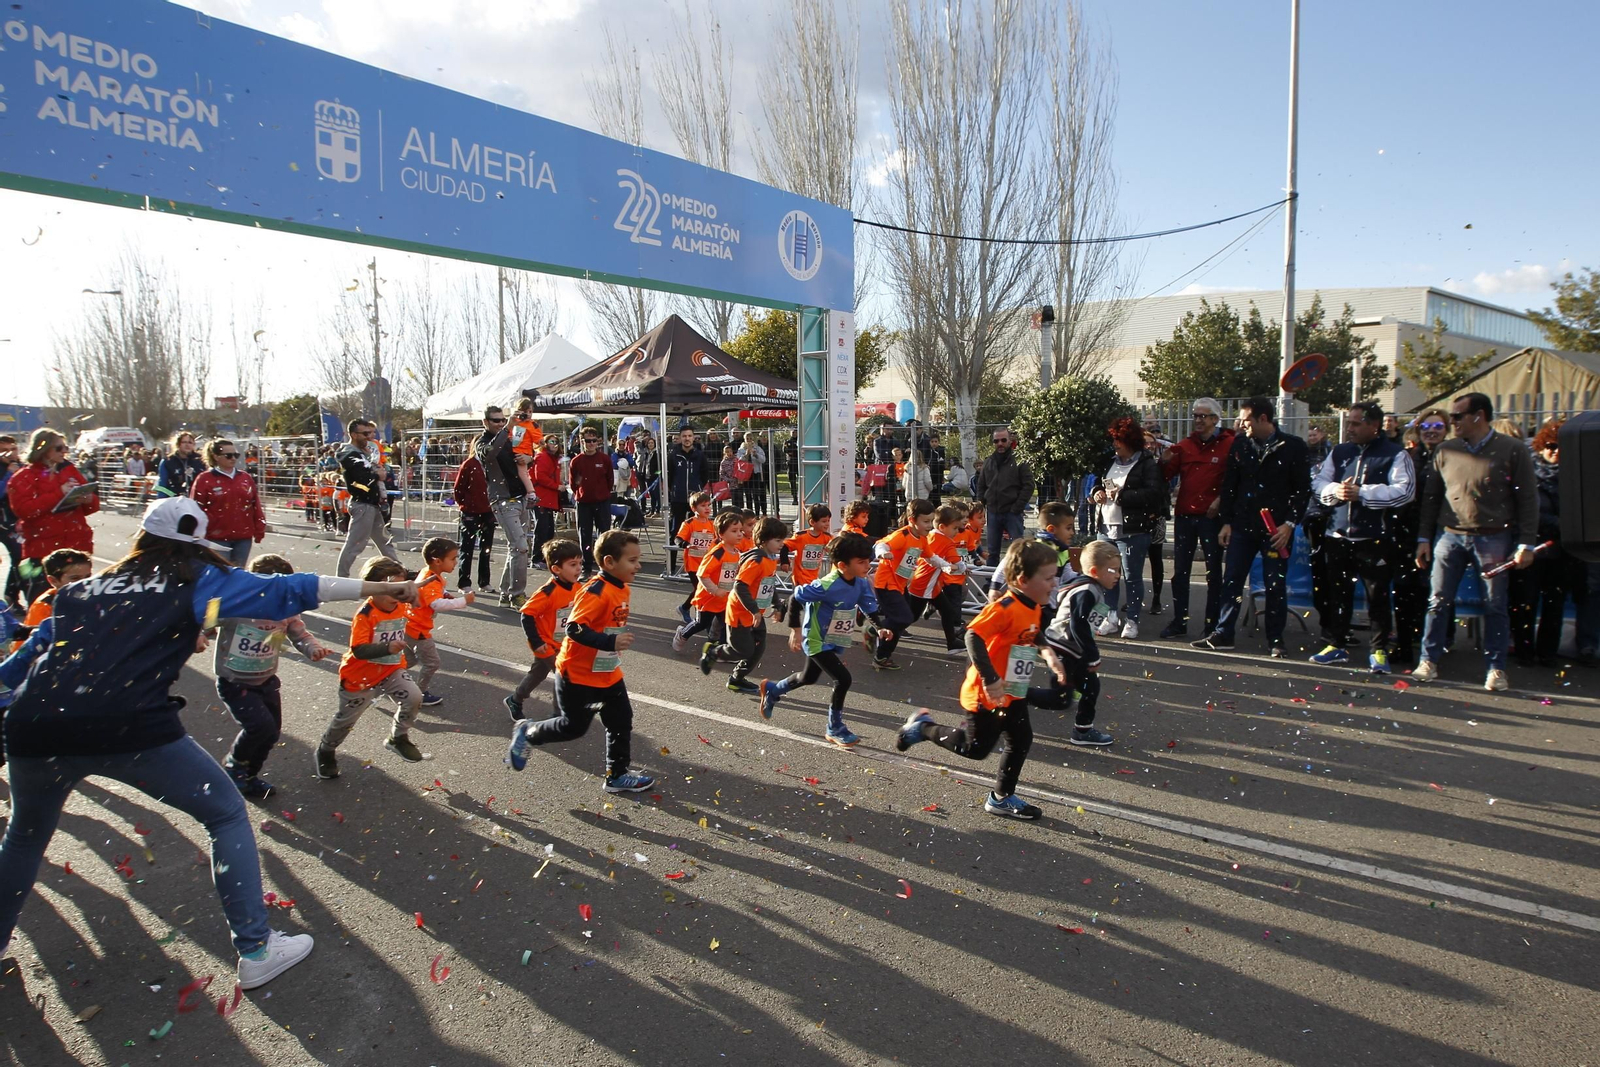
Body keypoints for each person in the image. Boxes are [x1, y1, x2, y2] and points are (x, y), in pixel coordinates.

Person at [0, 496, 417, 988]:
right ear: (196, 542)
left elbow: (24, 660)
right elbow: (298, 588)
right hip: (128, 724)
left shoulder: (82, 589)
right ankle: (256, 950)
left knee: (25, 836)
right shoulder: (194, 577)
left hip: (34, 727)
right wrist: (384, 586)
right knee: (224, 814)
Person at [895, 539, 1058, 821]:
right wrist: (990, 678)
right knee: (974, 749)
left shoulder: (1033, 605)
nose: (1054, 584)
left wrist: (1047, 651)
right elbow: (973, 636)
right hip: (986, 694)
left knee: (1021, 740)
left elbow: (1031, 631)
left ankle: (1001, 798)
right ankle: (923, 728)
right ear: (1023, 580)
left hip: (1012, 690)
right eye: (1048, 578)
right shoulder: (1004, 607)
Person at [504, 529, 655, 794]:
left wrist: (610, 646)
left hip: (607, 671)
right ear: (609, 562)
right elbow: (574, 628)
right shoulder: (596, 592)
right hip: (579, 675)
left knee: (621, 720)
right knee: (572, 727)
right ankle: (527, 732)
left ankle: (617, 775)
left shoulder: (621, 587)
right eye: (632, 560)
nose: (638, 565)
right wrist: (610, 642)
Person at [1412, 393, 1540, 691]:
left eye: (1457, 416)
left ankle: (1496, 668)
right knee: (1437, 601)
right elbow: (1431, 497)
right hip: (1449, 535)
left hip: (1493, 536)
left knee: (1495, 605)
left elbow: (1527, 498)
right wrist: (1423, 537)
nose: (1452, 422)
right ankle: (1428, 660)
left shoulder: (1513, 449)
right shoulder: (1446, 450)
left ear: (1478, 416)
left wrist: (1526, 543)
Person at [1193, 397, 1309, 657]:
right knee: (1232, 580)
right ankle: (1224, 633)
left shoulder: (1293, 447)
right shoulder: (1241, 444)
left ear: (1263, 419)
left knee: (1274, 584)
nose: (1241, 424)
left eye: (1246, 420)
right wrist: (1227, 522)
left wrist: (1289, 524)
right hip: (1243, 526)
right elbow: (1230, 485)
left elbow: (1303, 491)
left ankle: (1275, 639)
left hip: (1276, 530)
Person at [210, 553, 328, 799]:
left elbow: (299, 634)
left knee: (271, 733)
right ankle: (234, 765)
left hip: (266, 680)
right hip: (235, 682)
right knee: (259, 727)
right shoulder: (236, 606)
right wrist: (204, 627)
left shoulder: (285, 609)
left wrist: (312, 648)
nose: (278, 598)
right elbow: (208, 615)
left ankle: (249, 776)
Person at [1307, 403, 1415, 672]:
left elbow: (1405, 491)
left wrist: (1363, 493)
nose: (1350, 428)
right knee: (1337, 594)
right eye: (1349, 422)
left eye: (1356, 423)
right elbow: (1318, 482)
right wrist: (1335, 491)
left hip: (1374, 538)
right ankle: (1336, 644)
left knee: (1377, 596)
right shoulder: (1340, 451)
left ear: (1374, 426)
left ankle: (1378, 650)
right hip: (1337, 535)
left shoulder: (1395, 453)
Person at [761, 531, 893, 746]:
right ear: (842, 565)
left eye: (868, 561)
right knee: (843, 679)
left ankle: (773, 689)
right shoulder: (827, 584)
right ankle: (835, 727)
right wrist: (795, 630)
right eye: (861, 562)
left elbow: (868, 607)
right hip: (816, 638)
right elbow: (795, 597)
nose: (867, 566)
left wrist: (880, 628)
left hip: (834, 637)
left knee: (808, 677)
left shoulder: (860, 583)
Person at [314, 556, 427, 777]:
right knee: (345, 721)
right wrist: (387, 647)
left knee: (414, 697)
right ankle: (326, 750)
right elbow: (358, 650)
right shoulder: (366, 614)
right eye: (391, 590)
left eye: (400, 590)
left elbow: (416, 585)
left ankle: (398, 737)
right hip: (360, 677)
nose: (397, 595)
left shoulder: (399, 603)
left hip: (391, 670)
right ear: (373, 589)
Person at [1028, 539, 1122, 747]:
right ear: (1095, 571)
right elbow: (1078, 624)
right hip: (1063, 649)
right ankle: (1016, 696)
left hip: (1071, 649)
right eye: (1113, 570)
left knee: (1090, 687)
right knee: (1061, 699)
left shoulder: (1090, 586)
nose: (1118, 575)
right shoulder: (1086, 590)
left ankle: (1082, 730)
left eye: (1118, 570)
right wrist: (1092, 656)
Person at [1158, 398, 1234, 640]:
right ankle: (1179, 621)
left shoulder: (1229, 444)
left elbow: (1235, 480)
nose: (1198, 420)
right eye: (1195, 416)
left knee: (1214, 572)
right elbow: (1166, 475)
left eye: (1203, 416)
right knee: (1181, 571)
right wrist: (1164, 461)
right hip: (1185, 516)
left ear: (1215, 419)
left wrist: (1220, 500)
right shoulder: (1185, 445)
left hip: (1211, 518)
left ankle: (1212, 625)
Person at [1089, 417, 1167, 640]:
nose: (1114, 444)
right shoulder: (1109, 461)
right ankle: (1110, 617)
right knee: (1107, 575)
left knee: (1132, 577)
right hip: (1106, 527)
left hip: (1133, 530)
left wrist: (1122, 496)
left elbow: (1154, 494)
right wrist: (1097, 492)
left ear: (1130, 441)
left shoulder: (1147, 464)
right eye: (1113, 439)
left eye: (1119, 440)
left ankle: (1132, 620)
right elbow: (1099, 482)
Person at [1511, 419, 1579, 668]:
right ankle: (1524, 651)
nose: (1556, 451)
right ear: (1541, 446)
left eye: (1562, 447)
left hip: (1561, 549)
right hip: (1532, 544)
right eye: (1551, 445)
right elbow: (1527, 510)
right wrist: (1562, 523)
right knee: (1524, 601)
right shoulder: (1527, 470)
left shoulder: (1576, 474)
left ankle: (1548, 652)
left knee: (1555, 603)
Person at [5, 430, 98, 602]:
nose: (64, 451)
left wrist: (88, 498)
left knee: (82, 604)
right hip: (44, 553)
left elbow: (91, 507)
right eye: (59, 448)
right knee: (44, 604)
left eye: (65, 447)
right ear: (43, 449)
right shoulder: (23, 477)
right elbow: (25, 511)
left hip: (77, 549)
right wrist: (59, 493)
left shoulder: (69, 470)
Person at [702, 516, 786, 693]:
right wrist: (754, 610)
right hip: (740, 612)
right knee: (742, 650)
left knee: (759, 647)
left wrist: (777, 605)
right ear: (764, 540)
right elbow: (740, 585)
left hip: (755, 613)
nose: (782, 544)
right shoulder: (756, 561)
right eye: (778, 540)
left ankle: (736, 679)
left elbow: (768, 584)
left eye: (782, 540)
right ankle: (713, 653)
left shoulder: (770, 558)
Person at [1391, 409, 1449, 664]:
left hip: (1441, 532)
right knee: (1404, 588)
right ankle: (1404, 642)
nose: (1431, 431)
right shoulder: (1410, 457)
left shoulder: (1453, 455)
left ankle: (1436, 643)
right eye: (1426, 426)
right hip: (1407, 533)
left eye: (1438, 426)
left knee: (1436, 591)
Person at [505, 539, 584, 722]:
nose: (579, 568)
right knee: (563, 674)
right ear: (556, 569)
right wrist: (536, 642)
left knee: (537, 674)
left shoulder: (577, 587)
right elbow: (527, 614)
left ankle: (515, 699)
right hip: (545, 644)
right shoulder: (547, 592)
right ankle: (559, 715)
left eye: (580, 563)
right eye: (573, 564)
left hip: (562, 644)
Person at [407, 537, 474, 707]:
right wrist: (463, 601)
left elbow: (435, 594)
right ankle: (419, 694)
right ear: (437, 561)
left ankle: (384, 677)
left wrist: (446, 595)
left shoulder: (430, 574)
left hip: (411, 625)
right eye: (452, 558)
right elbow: (436, 604)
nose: (456, 562)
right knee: (432, 663)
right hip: (418, 629)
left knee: (408, 661)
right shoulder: (430, 579)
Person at [475, 406, 531, 606]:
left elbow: (523, 459)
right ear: (486, 422)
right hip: (502, 500)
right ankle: (517, 594)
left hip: (521, 497)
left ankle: (506, 594)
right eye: (496, 420)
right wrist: (507, 428)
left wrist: (529, 458)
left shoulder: (509, 439)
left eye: (502, 420)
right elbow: (489, 454)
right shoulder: (482, 442)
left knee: (516, 548)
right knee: (521, 547)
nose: (500, 423)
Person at [871, 499, 936, 670]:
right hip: (886, 584)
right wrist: (883, 553)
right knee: (902, 618)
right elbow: (881, 544)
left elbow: (931, 557)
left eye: (931, 521)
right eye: (926, 521)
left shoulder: (921, 538)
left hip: (900, 585)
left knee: (908, 617)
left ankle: (875, 633)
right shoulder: (902, 535)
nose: (930, 526)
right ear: (912, 520)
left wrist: (948, 566)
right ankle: (881, 652)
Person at [335, 420, 401, 577]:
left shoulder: (363, 452)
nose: (370, 437)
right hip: (362, 504)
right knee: (355, 545)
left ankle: (400, 572)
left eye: (372, 433)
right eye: (365, 433)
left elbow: (373, 469)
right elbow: (361, 478)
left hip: (373, 503)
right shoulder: (349, 453)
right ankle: (341, 577)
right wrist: (377, 474)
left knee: (385, 543)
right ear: (353, 435)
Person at [190, 438, 268, 568]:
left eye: (235, 455)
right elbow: (196, 508)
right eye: (228, 455)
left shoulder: (245, 478)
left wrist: (259, 528)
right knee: (221, 573)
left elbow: (255, 504)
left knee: (238, 573)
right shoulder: (204, 479)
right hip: (216, 538)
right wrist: (197, 534)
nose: (233, 458)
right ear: (216, 457)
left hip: (243, 537)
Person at [675, 510, 744, 653]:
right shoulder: (717, 553)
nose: (739, 534)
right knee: (701, 623)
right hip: (708, 598)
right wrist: (715, 590)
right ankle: (682, 634)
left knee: (726, 623)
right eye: (734, 531)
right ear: (721, 534)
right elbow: (702, 574)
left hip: (725, 598)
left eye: (740, 530)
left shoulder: (737, 553)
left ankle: (721, 650)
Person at [908, 503, 970, 655]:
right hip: (925, 584)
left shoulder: (931, 536)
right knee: (911, 616)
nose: (957, 532)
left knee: (947, 611)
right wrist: (963, 568)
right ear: (942, 527)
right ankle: (881, 629)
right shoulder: (946, 541)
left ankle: (952, 643)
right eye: (955, 528)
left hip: (929, 584)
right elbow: (957, 561)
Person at [971, 427, 1035, 563]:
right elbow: (981, 485)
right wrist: (980, 505)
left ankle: (1018, 576)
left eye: (1003, 440)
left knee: (1018, 551)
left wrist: (1017, 507)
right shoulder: (988, 462)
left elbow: (1029, 486)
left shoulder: (1019, 461)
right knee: (992, 552)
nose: (1000, 443)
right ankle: (991, 576)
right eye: (996, 441)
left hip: (1012, 512)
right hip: (993, 512)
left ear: (1009, 440)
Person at [12, 548, 92, 653]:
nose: (84, 582)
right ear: (53, 580)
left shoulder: (93, 597)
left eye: (88, 577)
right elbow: (35, 646)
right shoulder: (44, 607)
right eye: (75, 578)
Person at [783, 504, 835, 651]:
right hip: (800, 578)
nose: (827, 524)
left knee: (804, 605)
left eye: (828, 521)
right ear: (812, 522)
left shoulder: (826, 537)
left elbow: (833, 548)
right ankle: (804, 634)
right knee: (803, 605)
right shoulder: (801, 537)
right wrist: (785, 562)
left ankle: (784, 607)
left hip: (813, 578)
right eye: (823, 521)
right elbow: (786, 546)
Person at [568, 427, 614, 579]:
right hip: (584, 503)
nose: (591, 443)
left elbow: (610, 480)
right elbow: (573, 483)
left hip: (602, 502)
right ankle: (586, 568)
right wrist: (581, 493)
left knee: (604, 535)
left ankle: (605, 567)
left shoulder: (604, 459)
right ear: (582, 442)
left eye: (594, 440)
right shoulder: (576, 461)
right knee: (585, 535)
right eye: (588, 441)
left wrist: (603, 493)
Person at [452, 448, 496, 592]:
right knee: (467, 547)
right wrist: (464, 505)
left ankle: (484, 581)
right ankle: (464, 582)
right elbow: (458, 487)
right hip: (470, 511)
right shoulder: (469, 464)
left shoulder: (492, 463)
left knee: (486, 548)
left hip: (488, 511)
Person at [0, 435, 24, 611]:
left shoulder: (22, 467)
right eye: (4, 450)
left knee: (20, 556)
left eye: (13, 449)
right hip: (3, 520)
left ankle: (11, 595)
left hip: (15, 521)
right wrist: (9, 473)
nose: (10, 453)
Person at [667, 428, 705, 539]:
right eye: (684, 436)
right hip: (678, 497)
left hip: (695, 497)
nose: (687, 438)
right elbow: (669, 474)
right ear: (680, 438)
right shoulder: (673, 455)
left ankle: (693, 549)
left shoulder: (700, 455)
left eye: (689, 436)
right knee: (676, 527)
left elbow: (704, 475)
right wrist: (674, 488)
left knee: (695, 527)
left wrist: (698, 487)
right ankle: (674, 548)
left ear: (693, 438)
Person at [156, 431, 207, 498]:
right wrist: (167, 497)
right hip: (174, 500)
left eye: (190, 442)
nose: (187, 445)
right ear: (178, 444)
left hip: (196, 500)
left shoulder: (201, 460)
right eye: (184, 442)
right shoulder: (168, 461)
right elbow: (162, 485)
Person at [738, 432, 768, 516]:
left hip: (755, 473)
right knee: (748, 495)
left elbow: (763, 460)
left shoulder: (757, 448)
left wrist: (755, 455)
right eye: (747, 439)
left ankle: (757, 513)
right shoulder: (741, 449)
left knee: (756, 494)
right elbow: (739, 460)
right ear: (744, 440)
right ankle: (749, 513)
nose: (749, 440)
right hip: (746, 474)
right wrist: (746, 454)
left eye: (750, 438)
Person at [784, 433, 800, 507]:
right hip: (791, 464)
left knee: (802, 481)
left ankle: (802, 496)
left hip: (799, 464)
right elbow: (785, 450)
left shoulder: (800, 441)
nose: (794, 433)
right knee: (792, 482)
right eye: (793, 432)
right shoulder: (787, 442)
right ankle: (794, 498)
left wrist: (793, 451)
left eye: (796, 432)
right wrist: (794, 450)